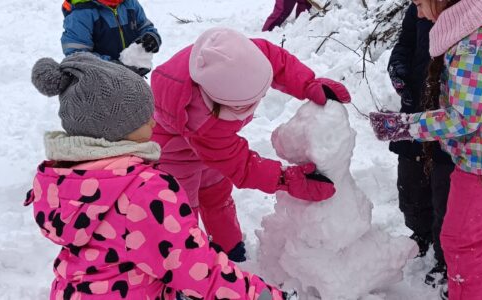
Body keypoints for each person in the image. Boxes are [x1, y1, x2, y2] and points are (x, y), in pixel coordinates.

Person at [26, 53, 288, 300]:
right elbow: (196, 270)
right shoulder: (143, 191)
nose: (154, 121)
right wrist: (262, 295)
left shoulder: (63, 180)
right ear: (115, 131)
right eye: (143, 118)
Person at [369, 0, 482, 299]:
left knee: (459, 241)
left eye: (419, 4)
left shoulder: (474, 46)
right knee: (478, 229)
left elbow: (462, 118)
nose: (417, 13)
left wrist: (402, 127)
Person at [150, 27, 351, 262]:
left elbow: (278, 62)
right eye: (245, 105)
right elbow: (242, 165)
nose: (256, 105)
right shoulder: (205, 121)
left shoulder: (239, 56)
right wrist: (288, 179)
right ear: (220, 103)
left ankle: (229, 246)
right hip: (174, 152)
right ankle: (186, 262)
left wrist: (308, 84)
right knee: (182, 208)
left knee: (217, 193)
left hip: (212, 143)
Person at [387, 3, 454, 288]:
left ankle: (446, 255)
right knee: (410, 181)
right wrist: (398, 67)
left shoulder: (468, 11)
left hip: (448, 114)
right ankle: (421, 232)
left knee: (445, 191)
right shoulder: (420, 7)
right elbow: (404, 43)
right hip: (415, 107)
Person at [60, 0, 161, 75]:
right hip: (99, 86)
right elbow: (77, 56)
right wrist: (114, 66)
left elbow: (146, 27)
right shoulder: (82, 12)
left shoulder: (130, 3)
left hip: (134, 80)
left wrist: (152, 37)